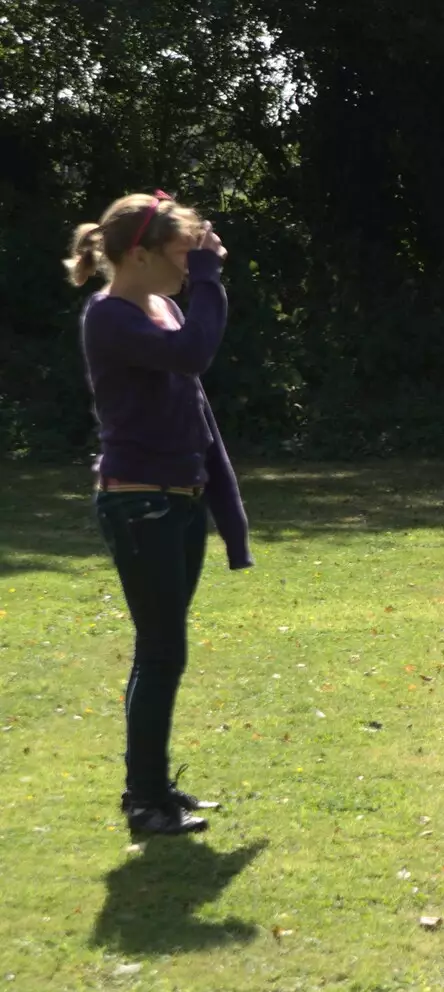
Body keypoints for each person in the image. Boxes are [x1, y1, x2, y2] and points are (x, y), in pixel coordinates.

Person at [65, 190, 253, 836]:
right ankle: (145, 800)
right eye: (182, 253)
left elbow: (199, 416)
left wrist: (228, 515)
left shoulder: (166, 309)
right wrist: (211, 282)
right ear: (140, 254)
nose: (191, 265)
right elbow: (195, 355)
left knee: (166, 650)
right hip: (137, 501)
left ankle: (152, 792)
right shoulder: (110, 316)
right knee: (161, 650)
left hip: (180, 500)